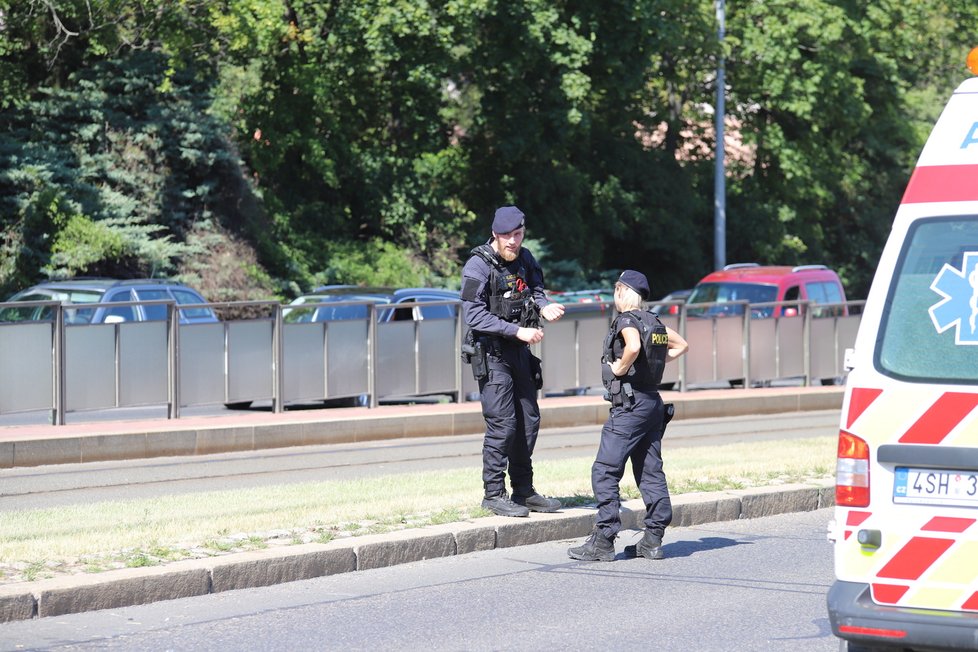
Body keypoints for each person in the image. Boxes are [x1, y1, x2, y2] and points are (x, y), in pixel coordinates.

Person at [568, 270, 689, 561]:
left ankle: (604, 539)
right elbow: (682, 345)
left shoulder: (627, 320)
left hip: (630, 406)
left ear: (622, 291)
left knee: (605, 469)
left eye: (615, 291)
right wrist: (654, 364)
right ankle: (653, 538)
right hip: (652, 404)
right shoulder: (655, 322)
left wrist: (620, 368)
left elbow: (633, 345)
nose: (614, 296)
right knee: (650, 471)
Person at [460, 205, 566, 517]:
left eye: (517, 235)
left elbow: (536, 291)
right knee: (502, 424)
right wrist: (515, 330)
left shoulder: (526, 258)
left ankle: (523, 490)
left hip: (519, 351)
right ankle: (493, 494)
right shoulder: (478, 266)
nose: (512, 241)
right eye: (506, 236)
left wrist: (544, 307)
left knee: (528, 421)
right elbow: (473, 314)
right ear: (495, 234)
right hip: (492, 352)